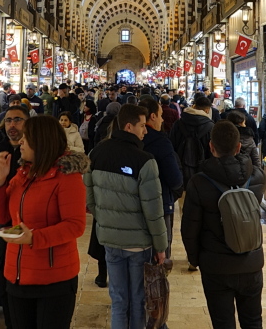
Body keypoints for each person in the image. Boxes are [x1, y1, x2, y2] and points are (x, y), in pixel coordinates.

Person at [0, 115, 88, 329]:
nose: (21, 141)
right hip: (16, 274)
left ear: (42, 141)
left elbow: (75, 224)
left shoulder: (67, 178)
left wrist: (35, 237)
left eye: (27, 137)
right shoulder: (23, 174)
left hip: (53, 279)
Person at [86, 104, 167, 329]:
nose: (146, 130)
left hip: (110, 241)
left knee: (119, 301)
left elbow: (90, 199)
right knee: (139, 300)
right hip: (138, 245)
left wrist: (104, 220)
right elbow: (154, 210)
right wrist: (161, 247)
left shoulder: (97, 153)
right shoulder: (145, 160)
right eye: (142, 125)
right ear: (129, 126)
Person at [181, 121, 265, 329]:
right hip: (251, 261)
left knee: (222, 323)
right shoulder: (256, 177)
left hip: (216, 265)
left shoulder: (199, 182)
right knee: (253, 321)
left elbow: (189, 228)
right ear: (238, 147)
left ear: (211, 147)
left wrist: (195, 259)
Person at [138, 97, 184, 261]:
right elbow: (174, 178)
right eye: (160, 115)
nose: (163, 119)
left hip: (134, 206)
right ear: (152, 116)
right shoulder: (160, 142)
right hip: (160, 202)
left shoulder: (131, 140)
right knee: (160, 254)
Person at [170, 93, 216, 190]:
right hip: (203, 169)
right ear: (207, 110)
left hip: (181, 165)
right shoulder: (211, 127)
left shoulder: (179, 123)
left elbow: (172, 145)